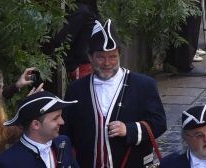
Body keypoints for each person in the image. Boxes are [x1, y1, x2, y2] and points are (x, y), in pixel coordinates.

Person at [62, 19, 167, 168]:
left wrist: (129, 130)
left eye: (112, 57)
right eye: (101, 57)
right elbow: (66, 132)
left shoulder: (144, 85)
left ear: (119, 55)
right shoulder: (76, 89)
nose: (107, 63)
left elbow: (159, 123)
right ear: (90, 57)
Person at [0, 92, 79, 168]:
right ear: (36, 124)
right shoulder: (6, 163)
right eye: (55, 118)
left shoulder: (63, 143)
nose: (62, 122)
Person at [44, 0, 102, 79]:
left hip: (95, 65)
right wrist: (72, 66)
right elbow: (61, 41)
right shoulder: (81, 11)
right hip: (85, 68)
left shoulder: (89, 7)